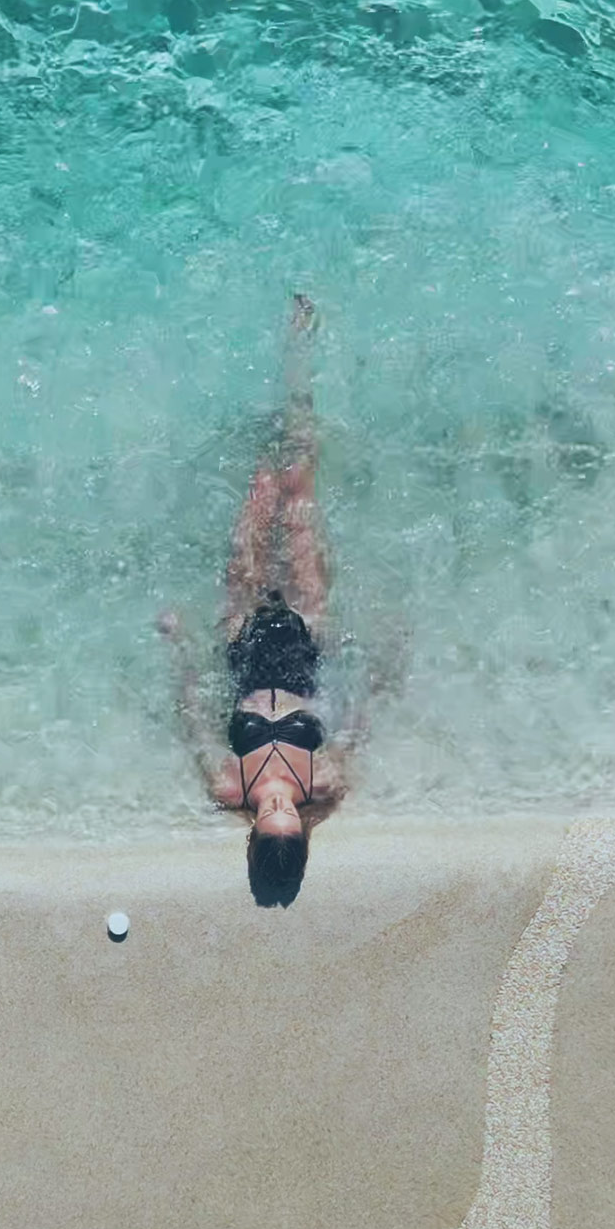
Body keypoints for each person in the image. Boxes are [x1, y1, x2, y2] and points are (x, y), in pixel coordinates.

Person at [158, 293, 351, 906]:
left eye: (270, 818)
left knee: (262, 487)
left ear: (253, 836)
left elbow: (193, 716)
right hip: (305, 637)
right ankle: (300, 353)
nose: (277, 805)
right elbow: (357, 716)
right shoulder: (323, 780)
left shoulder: (228, 785)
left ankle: (236, 368)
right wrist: (386, 665)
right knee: (299, 487)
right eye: (285, 815)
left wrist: (179, 648)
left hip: (241, 638)